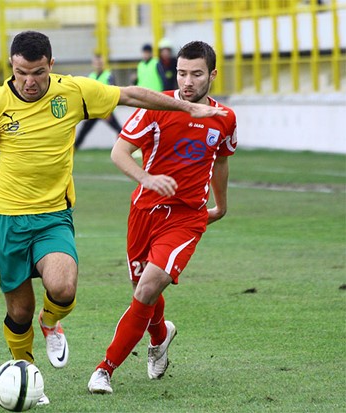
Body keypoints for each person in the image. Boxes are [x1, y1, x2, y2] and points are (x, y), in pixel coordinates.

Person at [0, 31, 226, 405]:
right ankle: (27, 374)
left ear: (51, 66)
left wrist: (186, 107)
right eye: (21, 73)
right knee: (19, 310)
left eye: (38, 73)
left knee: (63, 288)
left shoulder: (73, 92)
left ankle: (51, 322)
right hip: (5, 219)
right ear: (11, 67)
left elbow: (130, 94)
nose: (29, 82)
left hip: (52, 214)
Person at [87, 40, 237, 394]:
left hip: (187, 216)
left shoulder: (225, 118)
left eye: (197, 74)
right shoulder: (156, 108)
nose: (187, 82)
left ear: (212, 74)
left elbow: (222, 161)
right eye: (182, 73)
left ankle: (104, 369)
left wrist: (222, 205)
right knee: (143, 290)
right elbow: (119, 151)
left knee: (148, 286)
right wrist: (146, 178)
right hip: (143, 212)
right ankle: (160, 335)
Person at [74, 53, 123, 149]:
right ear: (93, 64)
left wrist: (108, 110)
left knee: (119, 130)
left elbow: (113, 92)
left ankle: (122, 148)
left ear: (103, 63)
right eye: (96, 62)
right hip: (94, 110)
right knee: (83, 131)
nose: (98, 64)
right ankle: (73, 150)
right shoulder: (91, 76)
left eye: (100, 62)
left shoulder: (108, 76)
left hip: (105, 110)